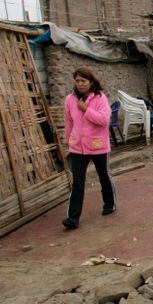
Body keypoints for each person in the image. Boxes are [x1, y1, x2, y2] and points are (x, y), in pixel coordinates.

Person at [63, 67, 116, 229]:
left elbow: (104, 120)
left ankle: (109, 203)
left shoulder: (100, 98)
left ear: (91, 82)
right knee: (78, 182)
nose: (80, 84)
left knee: (104, 176)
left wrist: (86, 109)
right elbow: (68, 122)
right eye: (77, 80)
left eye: (83, 81)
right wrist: (68, 141)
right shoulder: (70, 99)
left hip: (97, 145)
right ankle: (73, 218)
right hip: (78, 147)